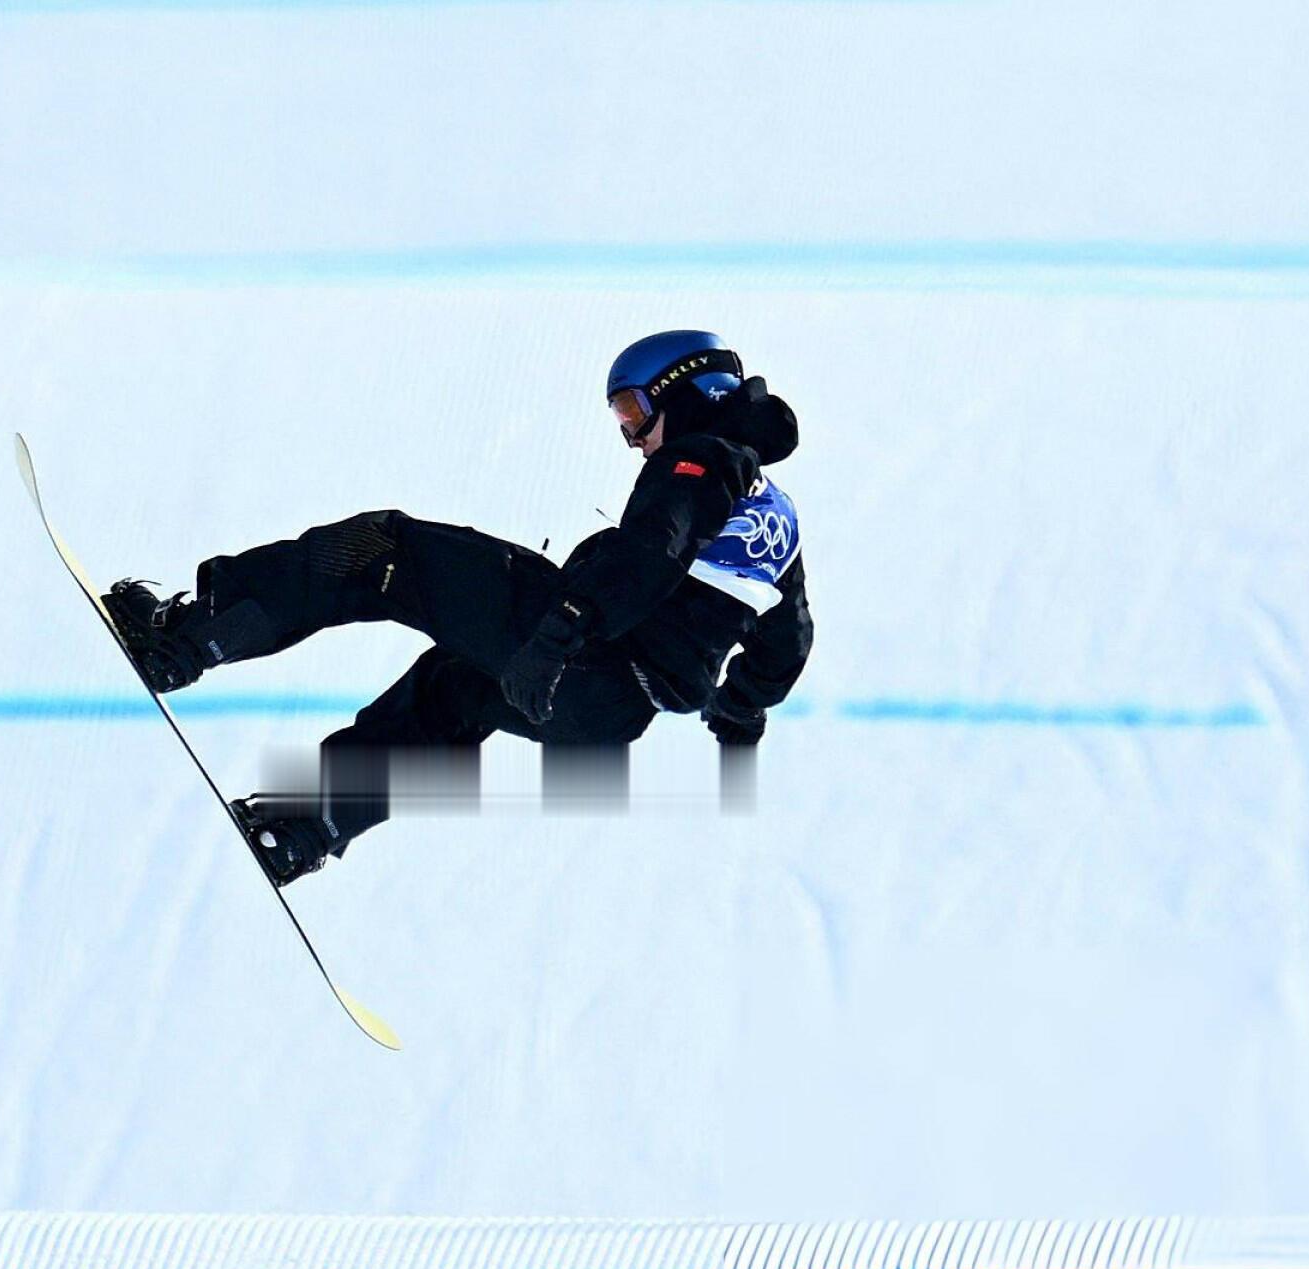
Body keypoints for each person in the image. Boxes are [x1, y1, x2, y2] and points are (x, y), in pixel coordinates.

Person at [105, 329, 814, 885]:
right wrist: (739, 707)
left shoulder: (701, 458)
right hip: (605, 714)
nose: (632, 437)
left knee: (382, 553)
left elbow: (649, 551)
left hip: (584, 653)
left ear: (689, 392)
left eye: (634, 412)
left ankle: (186, 638)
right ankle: (302, 826)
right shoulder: (774, 521)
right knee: (452, 690)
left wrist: (562, 633)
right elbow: (788, 641)